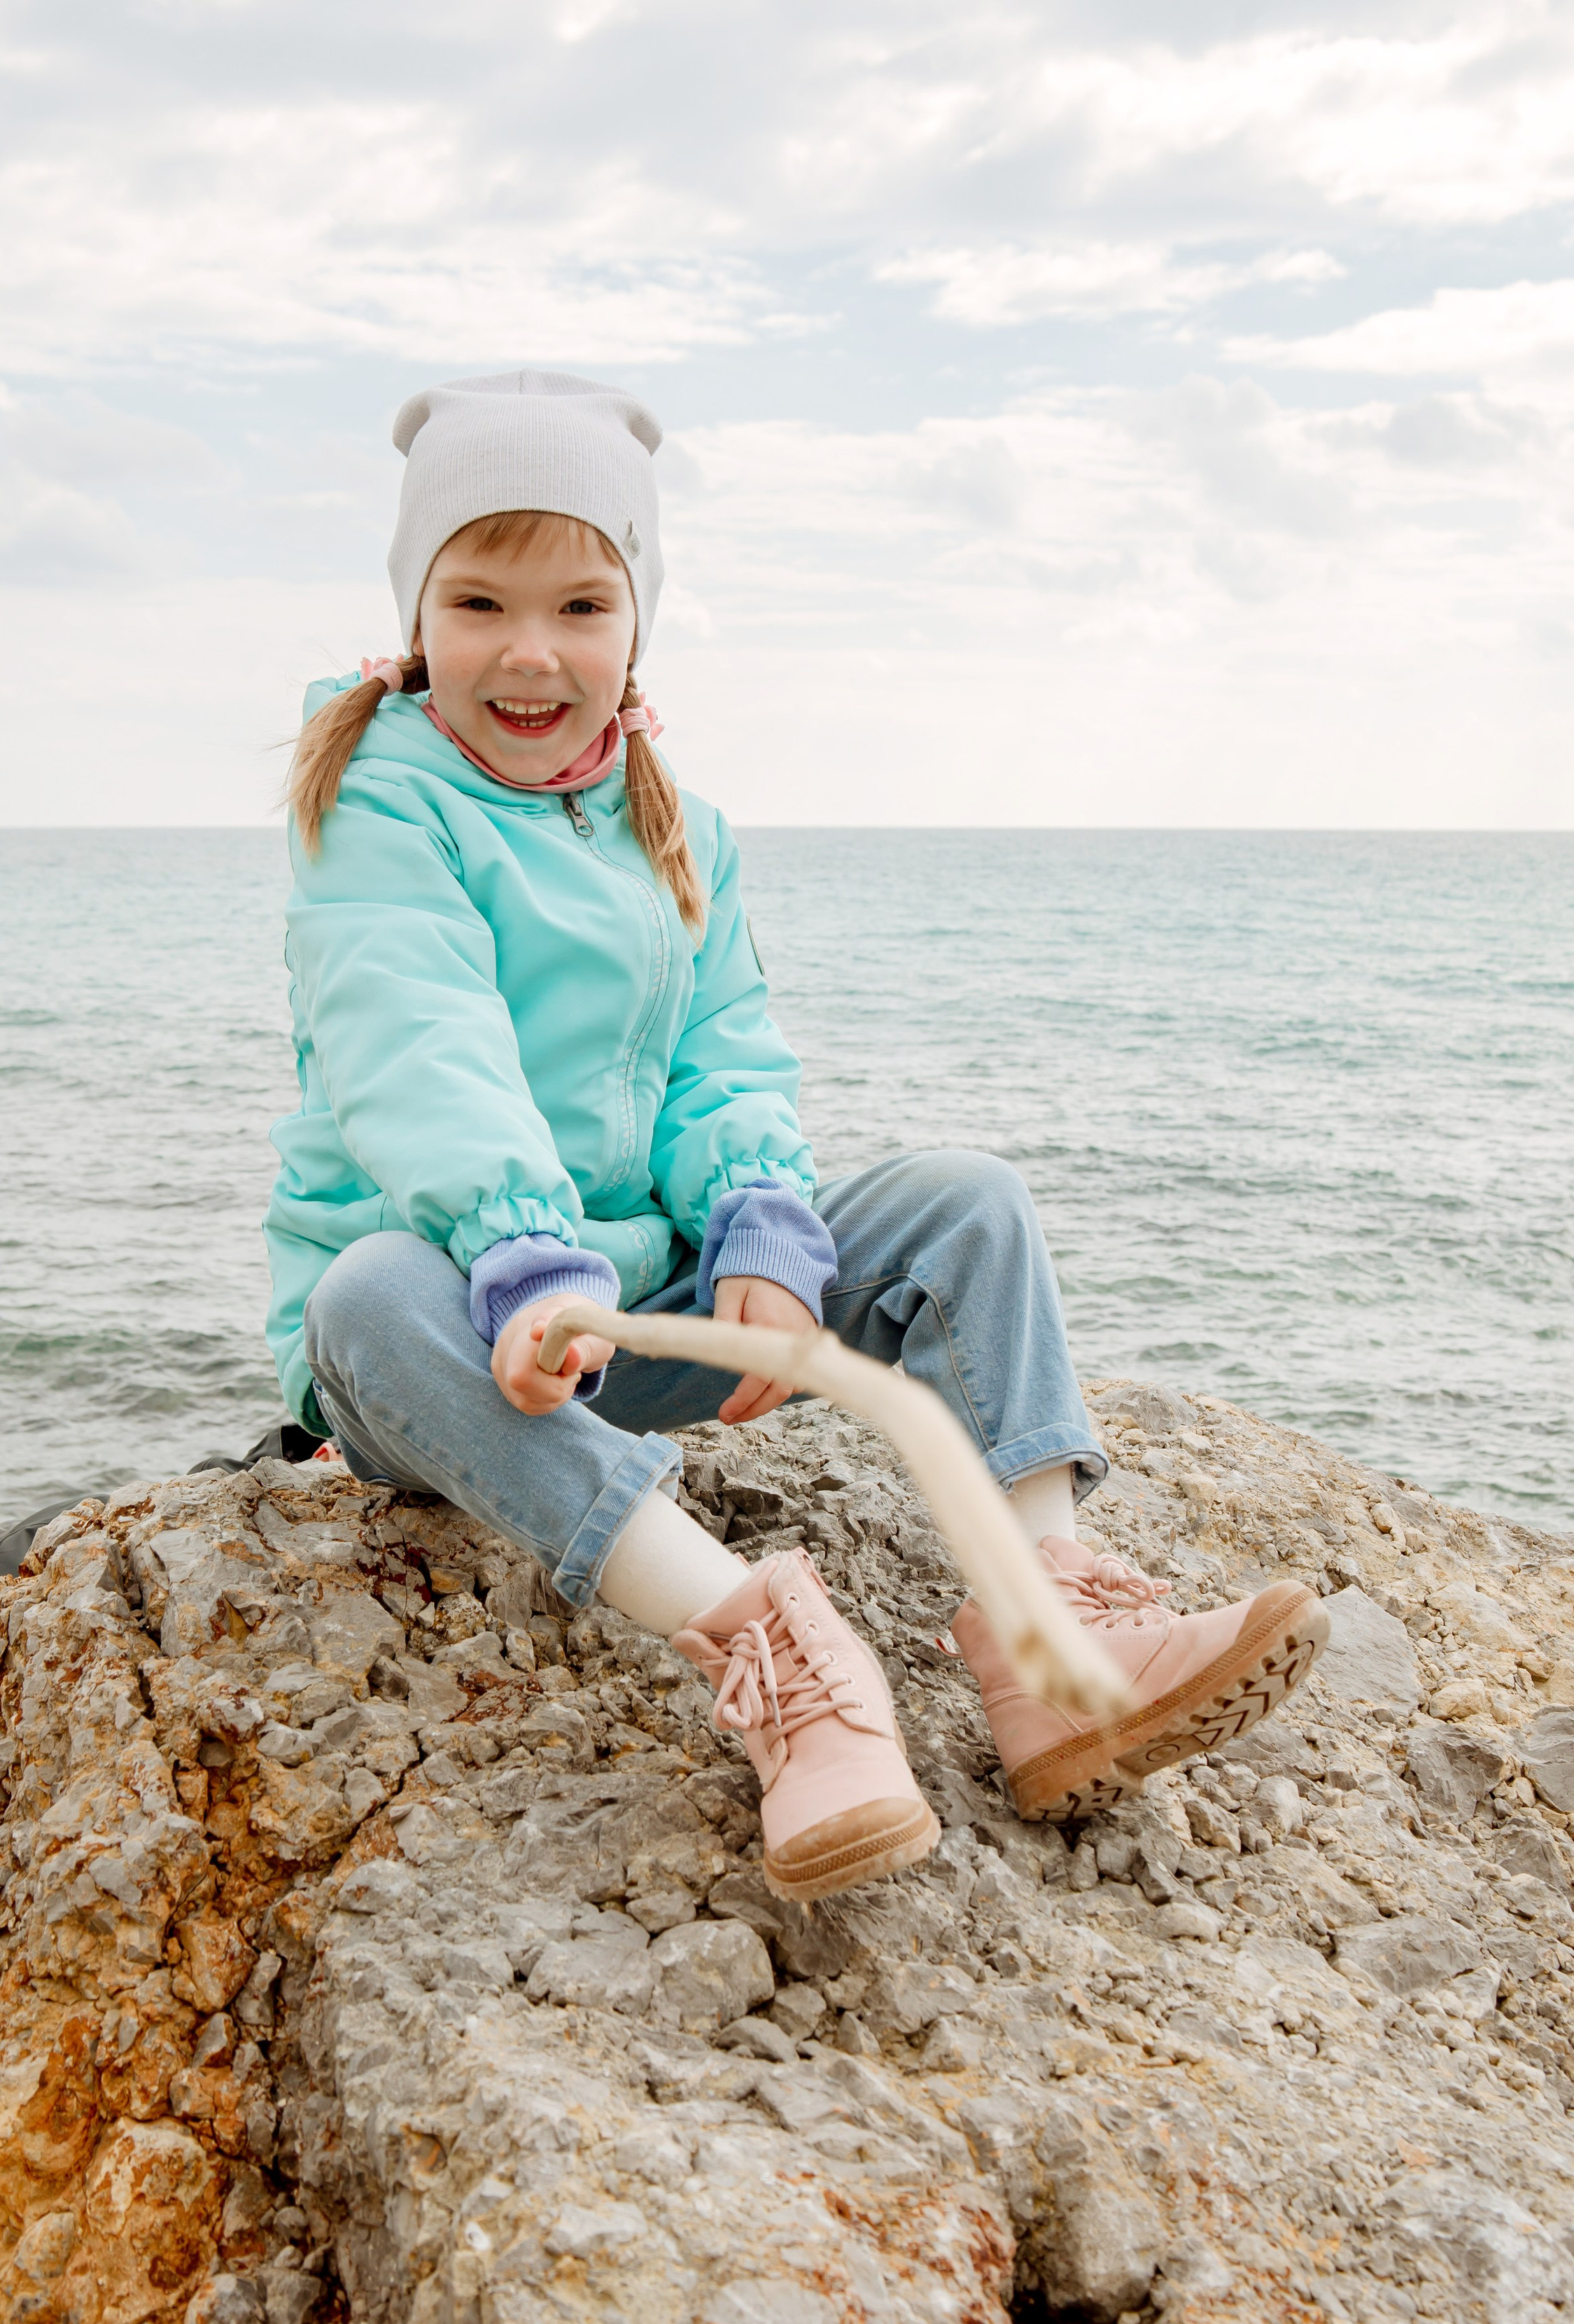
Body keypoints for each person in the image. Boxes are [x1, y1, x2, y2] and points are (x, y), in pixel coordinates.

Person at [265, 369, 1328, 1902]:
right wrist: (518, 1256)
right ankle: (767, 1650)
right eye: (479, 601)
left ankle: (1051, 1640)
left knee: (964, 1204)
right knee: (363, 1289)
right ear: (415, 610)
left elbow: (721, 1054)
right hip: (454, 1342)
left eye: (580, 605)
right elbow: (415, 1043)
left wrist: (759, 1224)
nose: (528, 651)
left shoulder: (672, 820)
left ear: (637, 621)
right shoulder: (377, 802)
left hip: (630, 1305)